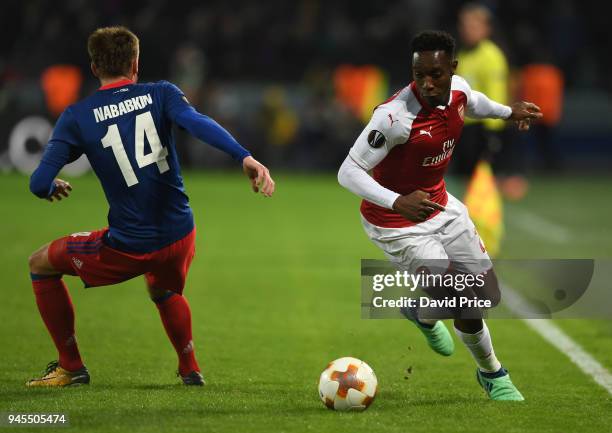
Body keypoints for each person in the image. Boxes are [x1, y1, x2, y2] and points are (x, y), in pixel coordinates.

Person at [26, 26, 275, 387]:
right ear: (135, 62)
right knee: (162, 287)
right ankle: (189, 368)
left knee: (40, 264)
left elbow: (37, 184)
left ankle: (70, 366)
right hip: (180, 234)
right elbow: (197, 123)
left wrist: (50, 185)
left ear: (94, 67)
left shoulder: (77, 117)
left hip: (131, 244)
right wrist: (244, 157)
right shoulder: (162, 93)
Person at [337, 30, 541, 401]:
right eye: (419, 76)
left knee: (485, 294)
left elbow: (474, 103)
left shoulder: (458, 90)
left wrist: (509, 112)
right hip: (396, 225)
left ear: (452, 68)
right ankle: (493, 373)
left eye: (436, 75)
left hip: (442, 206)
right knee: (464, 297)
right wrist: (397, 201)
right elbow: (347, 172)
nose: (427, 84)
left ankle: (422, 311)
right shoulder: (393, 117)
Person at [454, 3, 510, 176]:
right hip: (463, 127)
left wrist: (492, 133)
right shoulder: (462, 54)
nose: (467, 30)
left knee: (481, 182)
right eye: (464, 26)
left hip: (481, 129)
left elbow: (497, 95)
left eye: (473, 26)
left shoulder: (491, 56)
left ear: (486, 29)